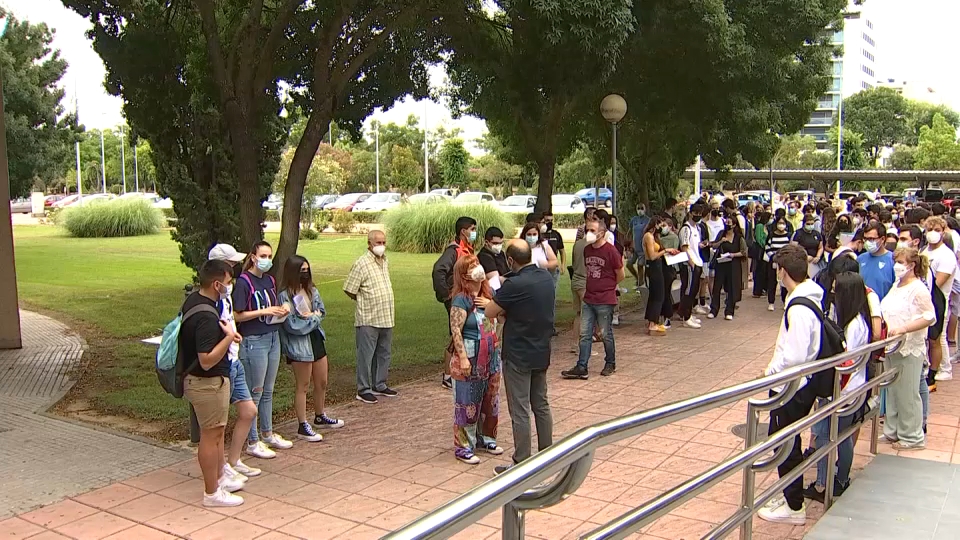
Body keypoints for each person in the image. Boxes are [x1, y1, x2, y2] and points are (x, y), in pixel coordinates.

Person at [757, 245, 823, 525]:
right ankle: (789, 495)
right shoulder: (811, 297)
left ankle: (794, 505)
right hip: (801, 383)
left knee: (785, 442)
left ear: (783, 272)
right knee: (786, 439)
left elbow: (794, 355)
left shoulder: (798, 307)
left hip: (792, 386)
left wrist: (770, 372)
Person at [484, 240, 554, 475]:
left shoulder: (514, 285)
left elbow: (490, 311)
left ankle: (522, 461)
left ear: (511, 261)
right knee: (541, 404)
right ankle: (547, 454)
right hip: (541, 350)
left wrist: (498, 307)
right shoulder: (544, 278)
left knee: (520, 409)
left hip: (518, 354)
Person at [804, 271, 875, 503]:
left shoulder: (854, 326)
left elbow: (845, 361)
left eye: (836, 290)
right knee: (841, 436)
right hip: (854, 388)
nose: (833, 294)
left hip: (844, 391)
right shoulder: (860, 320)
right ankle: (838, 479)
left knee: (829, 436)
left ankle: (826, 483)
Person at [181, 259, 246, 507]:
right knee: (211, 435)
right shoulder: (207, 315)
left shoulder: (196, 302)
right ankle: (211, 492)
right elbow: (206, 359)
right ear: (217, 283)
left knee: (217, 433)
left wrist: (227, 336)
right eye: (228, 283)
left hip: (208, 381)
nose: (230, 287)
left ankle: (219, 479)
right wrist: (229, 338)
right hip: (206, 382)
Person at [232, 241, 292, 459]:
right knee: (255, 391)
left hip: (272, 335)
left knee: (268, 389)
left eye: (269, 255)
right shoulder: (243, 282)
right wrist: (263, 311)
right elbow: (238, 315)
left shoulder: (269, 280)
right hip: (253, 339)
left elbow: (272, 306)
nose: (266, 259)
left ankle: (267, 432)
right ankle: (252, 439)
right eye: (263, 255)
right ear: (254, 257)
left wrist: (281, 310)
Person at [206, 244, 261, 480]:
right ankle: (219, 470)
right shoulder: (212, 300)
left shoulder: (225, 296)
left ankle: (234, 460)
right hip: (223, 364)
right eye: (230, 264)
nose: (235, 268)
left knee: (248, 411)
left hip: (234, 358)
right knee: (218, 423)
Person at [278, 255, 343, 443]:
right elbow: (293, 325)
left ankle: (320, 414)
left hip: (315, 340)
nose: (305, 274)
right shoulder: (285, 296)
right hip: (299, 345)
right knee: (303, 385)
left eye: (307, 270)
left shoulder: (312, 291)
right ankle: (302, 423)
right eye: (301, 271)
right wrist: (313, 318)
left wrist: (312, 318)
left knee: (321, 381)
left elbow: (321, 311)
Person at [448, 255, 503, 464]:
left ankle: (487, 437)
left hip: (491, 357)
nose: (478, 268)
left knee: (491, 401)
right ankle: (464, 447)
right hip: (470, 357)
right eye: (472, 266)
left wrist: (490, 303)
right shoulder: (461, 299)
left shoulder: (490, 294)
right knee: (467, 402)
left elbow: (503, 315)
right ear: (464, 275)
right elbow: (456, 330)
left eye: (477, 263)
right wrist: (462, 357)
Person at [879, 247, 935, 450]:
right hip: (891, 346)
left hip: (909, 347)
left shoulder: (918, 289)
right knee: (893, 391)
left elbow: (929, 316)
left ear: (911, 265)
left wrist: (905, 328)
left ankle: (912, 436)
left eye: (901, 262)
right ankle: (893, 430)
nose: (897, 265)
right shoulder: (897, 285)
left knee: (908, 393)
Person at [561, 217, 623, 379]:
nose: (588, 233)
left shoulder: (610, 251)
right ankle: (582, 366)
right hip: (589, 298)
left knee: (605, 333)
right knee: (585, 333)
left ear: (602, 233)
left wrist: (608, 286)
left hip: (604, 299)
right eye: (587, 230)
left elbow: (620, 274)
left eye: (592, 231)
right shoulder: (587, 249)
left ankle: (610, 362)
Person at [344, 230, 398, 404]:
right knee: (366, 355)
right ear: (369, 244)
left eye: (383, 242)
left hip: (386, 316)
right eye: (378, 243)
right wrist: (364, 300)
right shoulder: (362, 263)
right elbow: (349, 288)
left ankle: (379, 383)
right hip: (368, 317)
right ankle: (363, 388)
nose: (381, 246)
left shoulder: (385, 261)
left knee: (384, 353)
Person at [433, 216, 478, 389]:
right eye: (472, 229)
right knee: (456, 333)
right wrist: (446, 295)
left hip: (465, 298)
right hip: (456, 299)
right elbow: (439, 270)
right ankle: (447, 375)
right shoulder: (454, 250)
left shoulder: (467, 249)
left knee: (459, 333)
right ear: (463, 231)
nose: (474, 232)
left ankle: (454, 371)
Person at [922, 216, 957, 387]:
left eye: (937, 230)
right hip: (922, 300)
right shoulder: (924, 251)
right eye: (930, 230)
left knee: (938, 336)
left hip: (938, 299)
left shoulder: (946, 255)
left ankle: (942, 370)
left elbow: (937, 282)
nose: (933, 233)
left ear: (943, 232)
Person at [643, 216, 679, 334]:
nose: (661, 228)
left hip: (658, 267)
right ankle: (653, 322)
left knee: (657, 294)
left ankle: (653, 321)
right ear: (655, 224)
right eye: (661, 225)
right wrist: (665, 251)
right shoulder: (648, 236)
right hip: (653, 267)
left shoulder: (655, 237)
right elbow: (652, 256)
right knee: (658, 295)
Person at [708, 214, 747, 320]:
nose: (727, 224)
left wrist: (733, 255)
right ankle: (714, 309)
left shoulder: (739, 237)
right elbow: (714, 246)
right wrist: (721, 241)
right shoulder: (721, 234)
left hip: (733, 265)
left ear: (734, 224)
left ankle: (729, 310)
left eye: (730, 223)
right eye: (726, 222)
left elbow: (744, 252)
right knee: (717, 287)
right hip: (721, 264)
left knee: (732, 288)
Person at [678, 203, 706, 328]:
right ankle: (686, 316)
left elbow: (695, 244)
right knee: (688, 290)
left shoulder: (697, 228)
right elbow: (684, 247)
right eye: (696, 214)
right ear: (690, 213)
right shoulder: (686, 228)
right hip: (689, 264)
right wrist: (691, 263)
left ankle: (688, 313)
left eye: (700, 214)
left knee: (694, 290)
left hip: (697, 261)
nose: (698, 216)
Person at [857, 223, 895, 301]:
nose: (867, 242)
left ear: (882, 239)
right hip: (863, 307)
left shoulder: (893, 260)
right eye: (865, 239)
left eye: (871, 239)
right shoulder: (860, 259)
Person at [762, 216, 793, 311]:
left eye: (783, 223)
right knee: (772, 282)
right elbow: (767, 247)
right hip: (774, 262)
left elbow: (791, 247)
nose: (781, 225)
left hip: (785, 263)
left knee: (784, 283)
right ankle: (771, 302)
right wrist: (773, 257)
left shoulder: (788, 236)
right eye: (779, 223)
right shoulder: (771, 235)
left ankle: (785, 301)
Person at [792, 213, 824, 279]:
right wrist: (805, 256)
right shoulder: (798, 233)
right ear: (804, 224)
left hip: (815, 262)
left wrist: (818, 256)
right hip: (802, 261)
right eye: (808, 224)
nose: (810, 225)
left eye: (812, 224)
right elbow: (794, 248)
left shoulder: (817, 234)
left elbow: (820, 247)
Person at [629, 204, 650, 289]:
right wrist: (630, 243)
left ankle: (640, 285)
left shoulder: (647, 220)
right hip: (634, 247)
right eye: (638, 208)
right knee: (629, 264)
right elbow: (630, 232)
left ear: (645, 209)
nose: (640, 210)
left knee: (640, 265)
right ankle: (638, 278)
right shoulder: (634, 220)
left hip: (642, 248)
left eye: (642, 208)